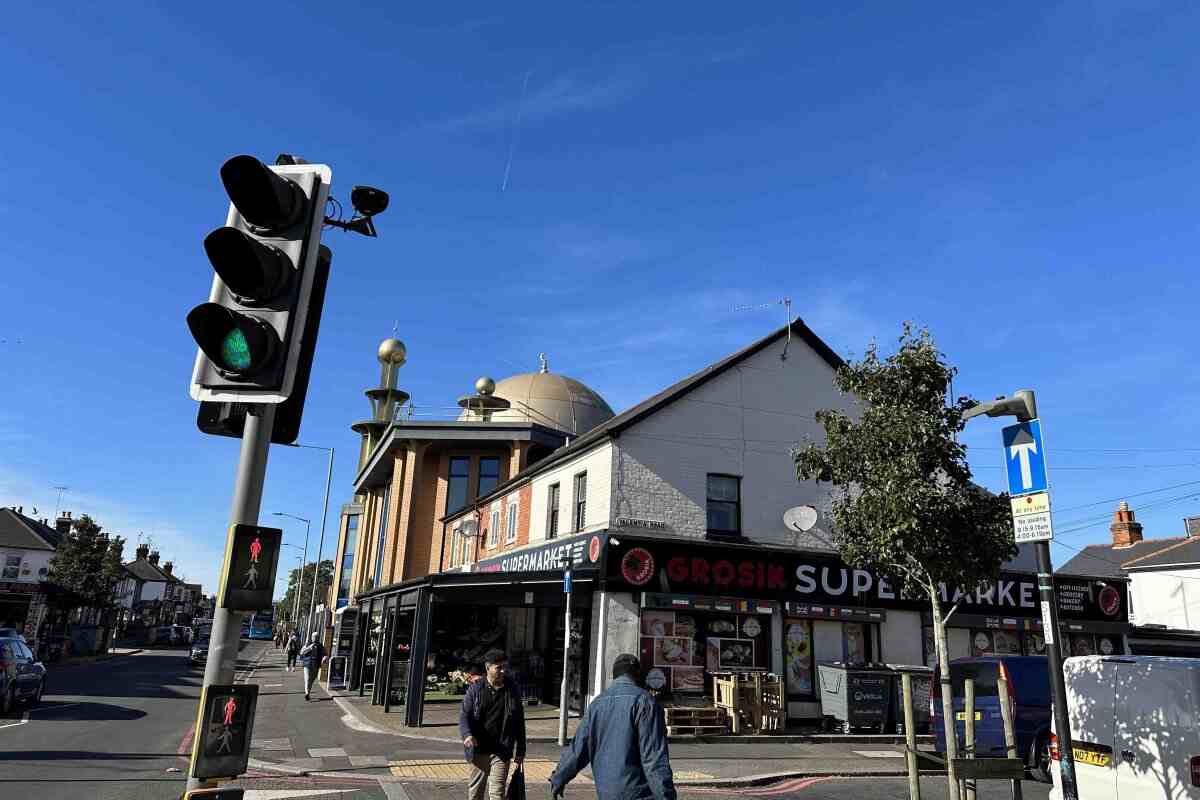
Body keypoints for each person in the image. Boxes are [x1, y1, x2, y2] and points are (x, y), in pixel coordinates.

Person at [550, 654, 676, 800]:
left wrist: (559, 778)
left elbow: (577, 749)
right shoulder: (645, 703)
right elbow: (653, 759)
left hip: (605, 793)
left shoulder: (597, 704)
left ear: (614, 676)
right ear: (637, 675)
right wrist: (666, 796)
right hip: (639, 793)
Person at [459, 649, 526, 800]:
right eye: (498, 667)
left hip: (502, 750)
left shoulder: (512, 690)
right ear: (488, 668)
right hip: (479, 749)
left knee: (497, 794)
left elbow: (519, 721)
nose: (503, 671)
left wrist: (521, 750)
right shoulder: (476, 690)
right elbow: (464, 715)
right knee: (475, 793)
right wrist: (467, 735)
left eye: (504, 667)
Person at [299, 632, 326, 701]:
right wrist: (309, 648)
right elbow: (301, 652)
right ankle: (307, 693)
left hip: (316, 665)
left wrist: (324, 658)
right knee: (307, 679)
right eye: (314, 637)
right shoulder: (307, 644)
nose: (315, 638)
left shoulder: (320, 645)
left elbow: (325, 653)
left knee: (312, 679)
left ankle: (308, 692)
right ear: (311, 637)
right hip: (307, 664)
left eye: (316, 637)